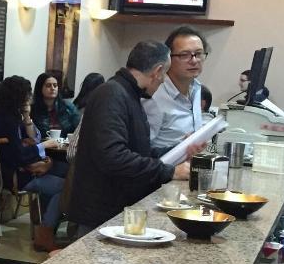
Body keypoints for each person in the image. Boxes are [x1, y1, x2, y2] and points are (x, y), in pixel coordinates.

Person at [68, 41, 199, 236]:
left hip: (116, 206)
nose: (164, 81)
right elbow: (113, 157)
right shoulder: (112, 94)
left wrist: (181, 149)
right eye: (165, 74)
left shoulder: (129, 95)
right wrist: (168, 171)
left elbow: (139, 150)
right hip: (102, 211)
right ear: (158, 71)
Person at [0, 76, 66, 251]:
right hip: (16, 176)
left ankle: (44, 227)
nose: (30, 97)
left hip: (16, 170)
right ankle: (45, 232)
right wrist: (44, 146)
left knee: (57, 172)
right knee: (65, 187)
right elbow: (20, 156)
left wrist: (27, 116)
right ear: (18, 95)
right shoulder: (7, 121)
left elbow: (33, 138)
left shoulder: (7, 116)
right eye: (27, 93)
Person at [144, 26, 207, 155]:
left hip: (189, 164)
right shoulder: (154, 96)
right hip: (162, 166)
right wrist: (179, 149)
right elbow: (140, 149)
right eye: (185, 55)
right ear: (168, 59)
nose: (194, 60)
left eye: (199, 54)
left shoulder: (196, 88)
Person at [31, 72, 80, 139]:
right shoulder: (33, 109)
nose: (53, 88)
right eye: (48, 85)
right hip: (44, 144)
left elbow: (79, 128)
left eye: (55, 85)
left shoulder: (68, 106)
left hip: (65, 144)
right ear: (40, 88)